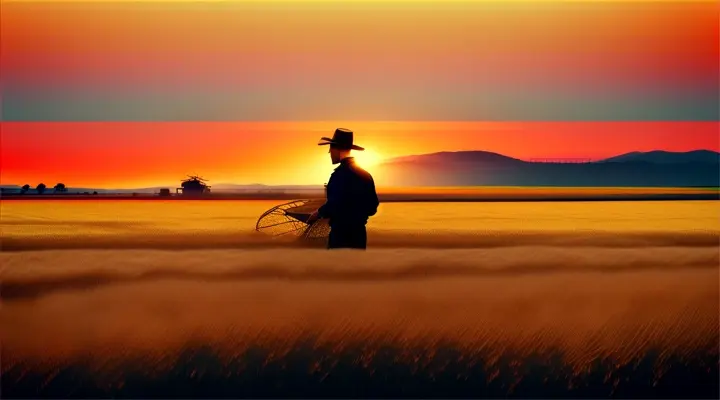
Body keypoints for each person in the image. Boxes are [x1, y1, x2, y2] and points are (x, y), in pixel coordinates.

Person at [307, 128, 379, 249]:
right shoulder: (365, 175)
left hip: (340, 236)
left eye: (330, 148)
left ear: (337, 149)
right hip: (359, 236)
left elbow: (335, 204)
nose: (329, 153)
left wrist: (318, 213)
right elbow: (373, 207)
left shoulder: (339, 175)